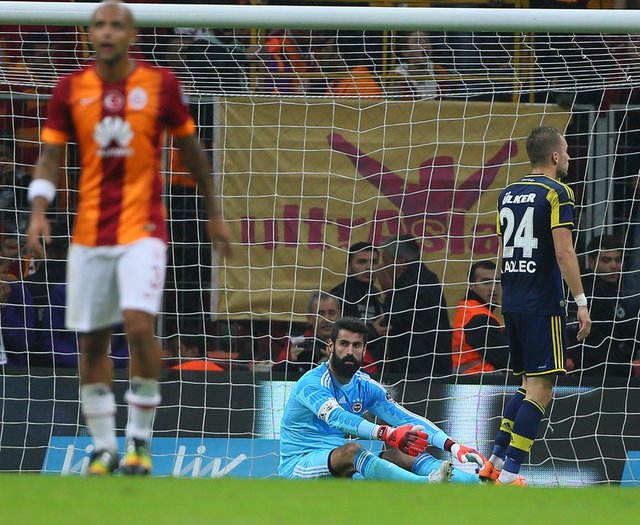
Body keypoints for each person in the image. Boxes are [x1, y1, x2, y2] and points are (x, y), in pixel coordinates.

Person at [25, 0, 231, 477]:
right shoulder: (70, 88)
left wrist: (214, 211)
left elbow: (191, 151)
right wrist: (38, 212)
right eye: (99, 25)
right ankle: (103, 447)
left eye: (116, 25)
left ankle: (139, 440)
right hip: (90, 232)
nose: (107, 32)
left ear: (132, 34)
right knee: (93, 340)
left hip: (144, 228)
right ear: (90, 33)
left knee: (140, 327)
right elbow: (50, 157)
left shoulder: (161, 84)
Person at [480, 126, 592, 486]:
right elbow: (563, 251)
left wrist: (504, 296)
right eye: (567, 151)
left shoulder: (507, 194)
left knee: (528, 385)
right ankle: (512, 474)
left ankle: (494, 463)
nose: (569, 158)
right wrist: (581, 302)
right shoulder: (558, 192)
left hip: (513, 300)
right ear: (555, 156)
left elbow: (503, 251)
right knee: (541, 391)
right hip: (542, 303)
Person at [278, 316, 485, 483]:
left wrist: (453, 446)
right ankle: (427, 484)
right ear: (331, 346)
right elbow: (338, 418)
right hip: (299, 466)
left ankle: (476, 483)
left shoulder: (365, 386)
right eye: (343, 344)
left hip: (339, 469)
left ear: (364, 350)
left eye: (356, 345)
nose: (350, 351)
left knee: (406, 454)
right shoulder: (312, 383)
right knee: (352, 451)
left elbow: (406, 418)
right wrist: (387, 433)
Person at [567, 234, 639, 378]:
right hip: (592, 371)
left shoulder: (616, 290)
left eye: (618, 260)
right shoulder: (584, 292)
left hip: (617, 367)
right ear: (591, 261)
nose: (614, 265)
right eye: (606, 260)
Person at [379, 235, 452, 376]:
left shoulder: (410, 284)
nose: (383, 266)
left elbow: (392, 318)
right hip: (434, 364)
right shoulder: (426, 277)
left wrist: (388, 290)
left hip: (416, 369)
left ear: (399, 261)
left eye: (385, 260)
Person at [329, 242, 387, 373]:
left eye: (374, 262)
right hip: (349, 366)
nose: (369, 267)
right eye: (362, 262)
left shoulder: (377, 295)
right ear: (348, 267)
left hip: (377, 365)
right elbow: (336, 333)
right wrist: (373, 331)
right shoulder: (339, 296)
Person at [452, 260, 510, 375]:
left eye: (497, 282)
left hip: (471, 378)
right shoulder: (478, 318)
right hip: (481, 380)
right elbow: (506, 359)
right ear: (471, 285)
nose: (493, 288)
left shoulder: (469, 308)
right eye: (486, 282)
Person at [273, 292, 340, 376]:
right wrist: (291, 363)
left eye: (331, 313)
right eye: (320, 314)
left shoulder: (349, 343)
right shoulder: (296, 343)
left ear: (339, 315)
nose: (326, 319)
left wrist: (337, 363)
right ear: (309, 318)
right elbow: (274, 376)